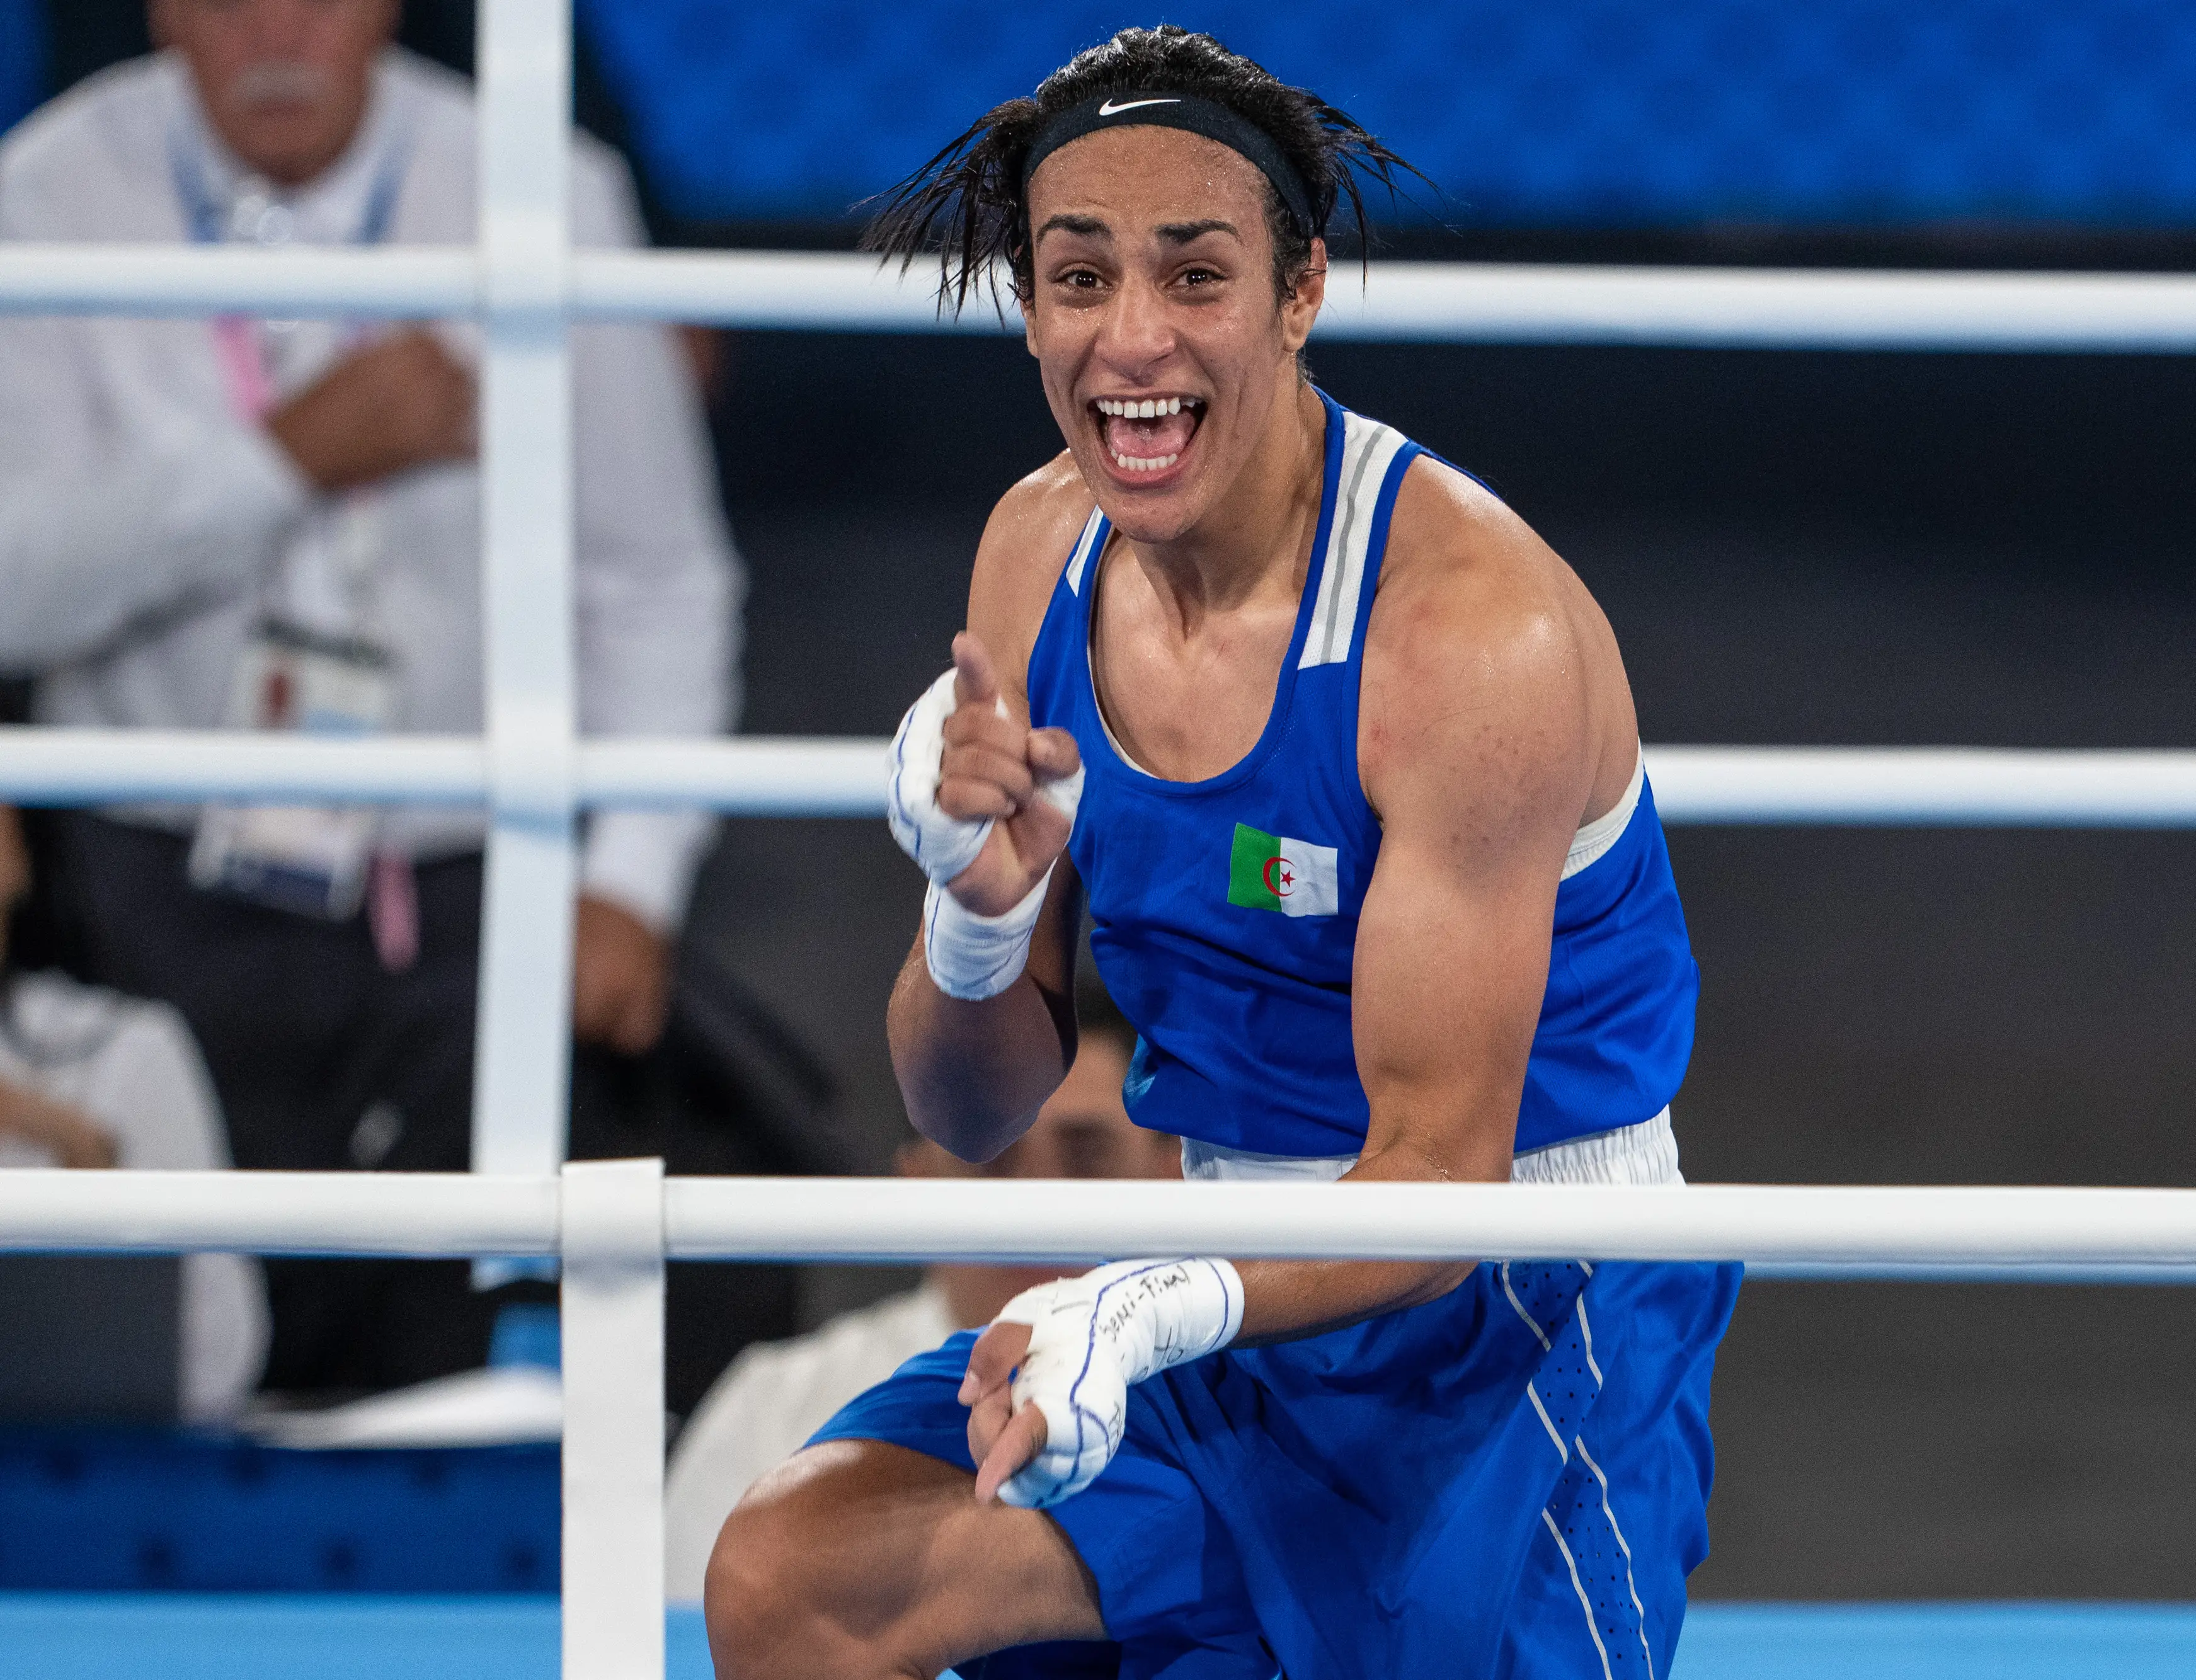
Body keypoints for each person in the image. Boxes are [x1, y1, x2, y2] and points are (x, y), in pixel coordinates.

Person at [706, 25, 1739, 1680]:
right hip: (1210, 1281)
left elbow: (1441, 1186)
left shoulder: (1469, 636)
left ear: (1298, 289)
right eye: (1078, 276)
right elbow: (969, 1110)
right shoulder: (1033, 556)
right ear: (1028, 304)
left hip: (1518, 1315)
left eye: (1195, 274)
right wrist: (974, 911)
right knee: (799, 1572)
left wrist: (1150, 1299)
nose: (1132, 342)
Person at [0, 1, 738, 1388]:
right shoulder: (41, 199)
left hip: (472, 878)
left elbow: (659, 580)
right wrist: (279, 462)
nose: (277, 27)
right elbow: (11, 581)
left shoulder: (545, 188)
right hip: (148, 880)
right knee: (169, 1375)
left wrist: (632, 877)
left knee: (458, 1366)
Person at [665, 993, 1179, 1605]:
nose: (1037, 1207)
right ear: (919, 1186)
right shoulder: (770, 1411)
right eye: (991, 1160)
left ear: (1172, 1174)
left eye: (1086, 1157)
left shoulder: (1252, 1410)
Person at [0, 806, 268, 1420]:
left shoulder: (128, 1049)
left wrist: (80, 1154)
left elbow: (223, 1359)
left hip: (83, 1481)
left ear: (15, 845)